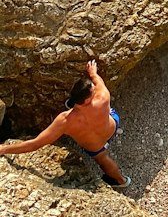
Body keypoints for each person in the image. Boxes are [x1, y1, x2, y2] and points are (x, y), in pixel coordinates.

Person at [0, 58, 131, 188]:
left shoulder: (65, 121)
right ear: (87, 100)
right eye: (92, 90)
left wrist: (4, 149)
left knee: (102, 160)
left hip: (95, 146)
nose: (94, 88)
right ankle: (121, 180)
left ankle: (72, 105)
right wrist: (93, 73)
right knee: (108, 114)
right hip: (112, 127)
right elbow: (98, 81)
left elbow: (35, 144)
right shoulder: (103, 96)